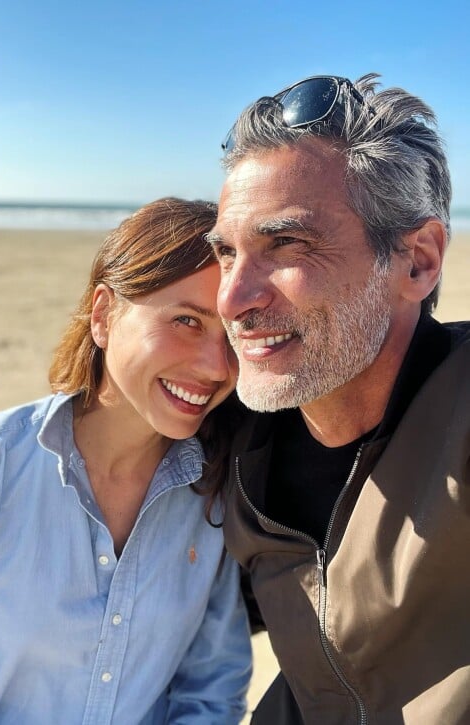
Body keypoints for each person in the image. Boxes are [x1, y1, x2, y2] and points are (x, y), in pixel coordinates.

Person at [0, 198, 252, 724]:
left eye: (233, 336)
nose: (216, 367)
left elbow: (210, 693)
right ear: (104, 316)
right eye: (186, 321)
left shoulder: (216, 491)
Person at [207, 74, 470, 724]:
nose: (233, 299)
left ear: (418, 261)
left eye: (285, 245)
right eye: (226, 253)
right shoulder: (234, 450)